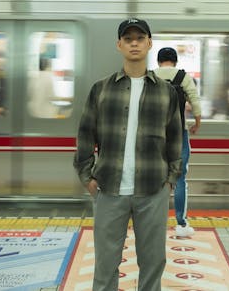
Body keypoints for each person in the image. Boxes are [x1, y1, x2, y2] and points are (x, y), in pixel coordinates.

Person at [74, 18, 183, 291]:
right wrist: (86, 176)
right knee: (106, 263)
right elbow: (85, 134)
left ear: (149, 44)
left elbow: (175, 139)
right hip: (110, 188)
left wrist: (170, 180)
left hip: (153, 189)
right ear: (119, 44)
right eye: (128, 38)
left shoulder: (166, 92)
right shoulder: (101, 89)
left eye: (140, 38)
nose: (134, 43)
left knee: (153, 261)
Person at [153, 46, 202, 237]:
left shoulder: (151, 76)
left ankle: (154, 223)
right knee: (180, 179)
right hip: (179, 133)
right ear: (175, 61)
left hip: (155, 135)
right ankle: (181, 224)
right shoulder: (183, 78)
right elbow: (195, 103)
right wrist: (197, 124)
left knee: (155, 178)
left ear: (158, 61)